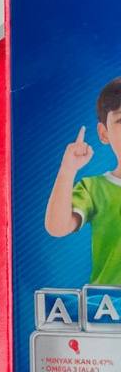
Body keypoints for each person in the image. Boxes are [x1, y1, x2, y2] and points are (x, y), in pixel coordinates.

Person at [45, 77, 121, 284]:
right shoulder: (94, 188)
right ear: (104, 133)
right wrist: (67, 169)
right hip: (107, 300)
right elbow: (57, 227)